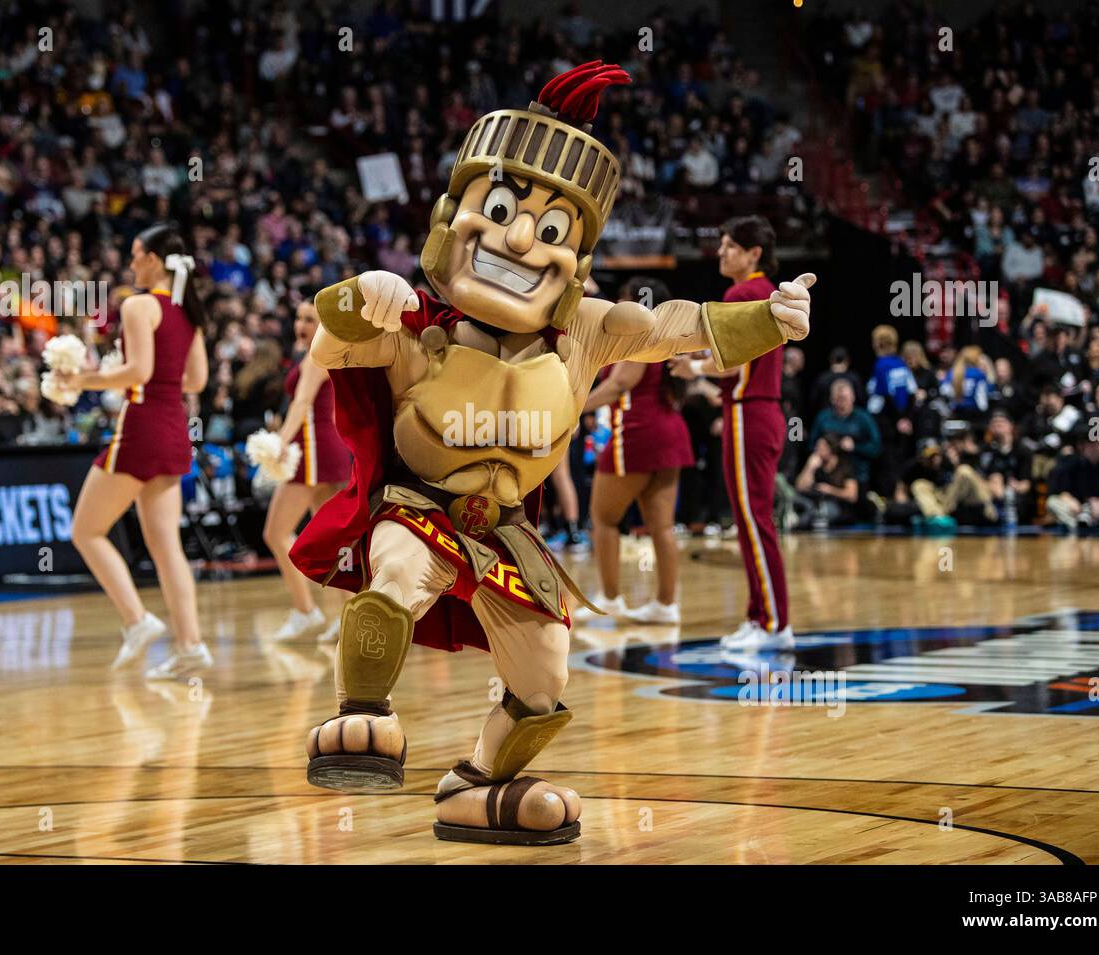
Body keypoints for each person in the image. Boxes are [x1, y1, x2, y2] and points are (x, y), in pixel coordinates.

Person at [288, 62, 815, 845]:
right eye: (499, 210)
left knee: (545, 675)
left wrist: (771, 317)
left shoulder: (588, 329)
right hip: (420, 508)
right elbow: (330, 345)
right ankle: (362, 714)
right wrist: (353, 298)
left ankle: (476, 785)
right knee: (395, 572)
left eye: (552, 228)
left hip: (504, 530)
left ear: (580, 258)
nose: (519, 238)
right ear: (450, 216)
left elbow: (675, 326)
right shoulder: (414, 321)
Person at [60, 223, 213, 680]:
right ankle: (190, 646)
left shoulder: (138, 304)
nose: (131, 264)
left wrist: (82, 379)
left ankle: (137, 619)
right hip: (173, 428)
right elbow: (197, 381)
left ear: (152, 259)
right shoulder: (188, 309)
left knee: (85, 532)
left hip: (142, 427)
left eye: (135, 254)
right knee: (167, 548)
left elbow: (137, 371)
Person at [672, 215, 792, 649]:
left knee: (754, 520)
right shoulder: (768, 293)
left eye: (729, 246)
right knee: (751, 519)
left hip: (748, 411)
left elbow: (734, 364)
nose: (720, 253)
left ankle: (774, 624)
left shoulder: (743, 293)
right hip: (761, 411)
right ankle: (760, 616)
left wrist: (694, 368)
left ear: (753, 253)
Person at [582, 277, 693, 625]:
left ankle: (611, 598)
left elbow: (619, 385)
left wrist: (574, 406)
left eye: (624, 300)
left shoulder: (639, 335)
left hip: (636, 434)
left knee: (603, 519)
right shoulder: (667, 335)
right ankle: (666, 604)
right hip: (669, 432)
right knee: (661, 526)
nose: (617, 305)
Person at [262, 299, 352, 641]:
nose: (301, 324)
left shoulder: (318, 354)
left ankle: (305, 610)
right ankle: (346, 616)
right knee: (334, 540)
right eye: (298, 317)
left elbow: (301, 403)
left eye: (310, 319)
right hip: (323, 449)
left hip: (313, 450)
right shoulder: (320, 353)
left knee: (275, 532)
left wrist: (279, 444)